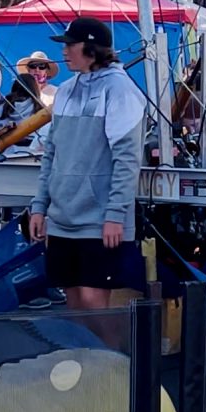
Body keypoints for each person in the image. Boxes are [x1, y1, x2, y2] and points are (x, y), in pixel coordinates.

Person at [30, 19, 150, 311]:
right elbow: (51, 154)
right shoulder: (67, 91)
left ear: (92, 49)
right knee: (74, 303)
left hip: (99, 222)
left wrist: (115, 214)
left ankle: (112, 358)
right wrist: (39, 206)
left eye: (71, 45)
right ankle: (84, 356)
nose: (65, 51)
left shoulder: (121, 90)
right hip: (62, 219)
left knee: (95, 303)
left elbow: (127, 160)